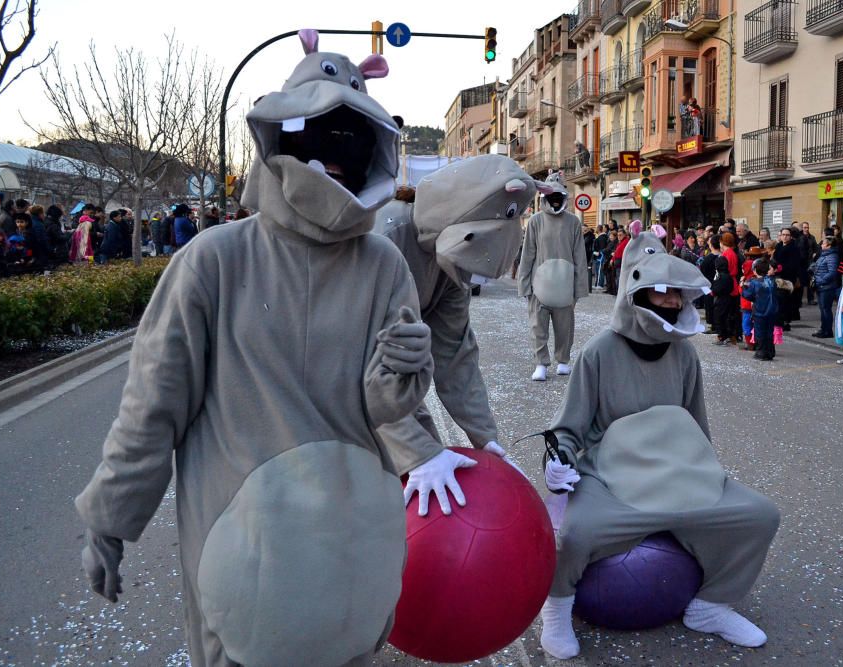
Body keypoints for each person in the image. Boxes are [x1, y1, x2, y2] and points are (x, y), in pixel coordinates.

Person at [74, 32, 437, 667]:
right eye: (321, 136)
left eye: (351, 141)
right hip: (285, 556)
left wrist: (405, 375)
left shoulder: (374, 264)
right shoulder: (216, 261)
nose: (335, 159)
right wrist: (109, 517)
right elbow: (154, 403)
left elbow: (386, 405)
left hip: (313, 554)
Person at [538, 231, 779, 659]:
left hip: (676, 470)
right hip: (612, 476)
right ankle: (556, 610)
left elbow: (696, 423)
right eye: (662, 292)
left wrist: (710, 475)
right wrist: (558, 461)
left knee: (759, 515)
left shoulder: (685, 356)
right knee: (574, 534)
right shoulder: (598, 353)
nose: (672, 302)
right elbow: (568, 427)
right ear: (636, 292)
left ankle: (709, 605)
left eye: (678, 295)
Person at [374, 155, 539, 512]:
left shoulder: (451, 263)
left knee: (434, 474)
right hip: (324, 388)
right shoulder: (383, 243)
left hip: (392, 379)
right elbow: (352, 358)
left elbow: (455, 353)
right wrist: (416, 452)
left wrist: (485, 439)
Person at [518, 171, 588, 381]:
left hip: (565, 285)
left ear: (564, 198)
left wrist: (579, 288)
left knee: (564, 327)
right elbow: (527, 254)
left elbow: (580, 257)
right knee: (537, 326)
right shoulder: (535, 222)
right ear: (544, 198)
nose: (555, 201)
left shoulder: (574, 222)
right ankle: (541, 362)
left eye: (558, 197)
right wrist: (524, 286)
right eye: (551, 197)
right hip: (539, 285)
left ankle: (563, 360)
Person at [742, 258, 779, 360]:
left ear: (755, 270)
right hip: (771, 311)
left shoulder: (755, 282)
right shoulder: (772, 281)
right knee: (769, 332)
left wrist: (743, 288)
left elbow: (748, 295)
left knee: (760, 332)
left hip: (760, 311)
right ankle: (770, 352)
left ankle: (761, 352)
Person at [773, 227, 802, 330]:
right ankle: (779, 320)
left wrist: (781, 268)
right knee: (779, 300)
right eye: (783, 235)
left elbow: (794, 264)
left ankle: (786, 321)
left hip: (788, 277)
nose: (785, 237)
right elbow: (775, 259)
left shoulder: (794, 248)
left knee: (786, 300)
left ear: (790, 237)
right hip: (778, 276)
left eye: (787, 235)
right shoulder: (779, 246)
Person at [812, 237, 839, 338]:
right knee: (823, 309)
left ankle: (828, 331)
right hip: (821, 286)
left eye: (823, 243)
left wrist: (820, 280)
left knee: (826, 309)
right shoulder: (824, 254)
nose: (821, 245)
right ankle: (823, 329)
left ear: (829, 245)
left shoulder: (832, 256)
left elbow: (832, 272)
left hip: (827, 287)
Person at [798, 222, 818, 304]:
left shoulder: (812, 237)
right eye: (805, 227)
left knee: (810, 280)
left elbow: (816, 248)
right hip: (801, 262)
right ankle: (799, 300)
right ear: (802, 228)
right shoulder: (799, 237)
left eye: (807, 227)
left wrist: (814, 254)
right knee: (801, 282)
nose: (806, 229)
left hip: (810, 262)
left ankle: (811, 299)